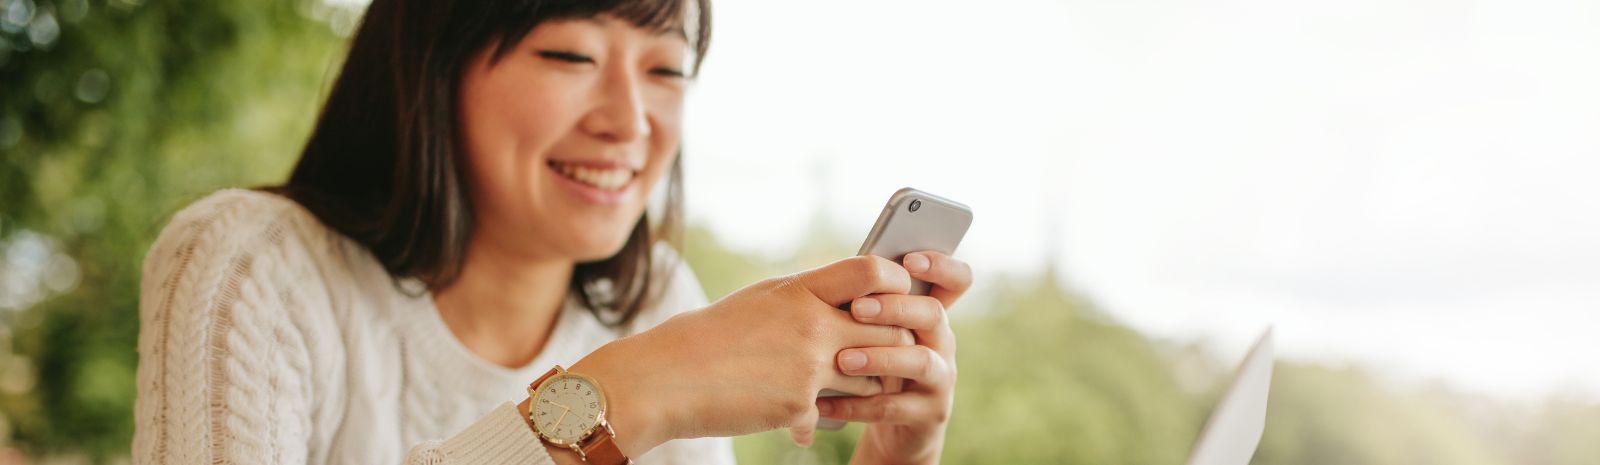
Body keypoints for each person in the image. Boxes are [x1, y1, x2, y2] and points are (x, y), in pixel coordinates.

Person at [131, 0, 972, 463]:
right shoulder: (252, 264)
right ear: (432, 66)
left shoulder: (659, 298)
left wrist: (898, 457)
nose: (629, 121)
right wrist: (629, 395)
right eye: (570, 56)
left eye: (666, 71)